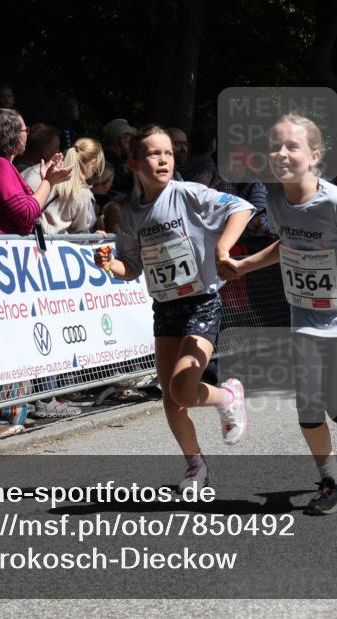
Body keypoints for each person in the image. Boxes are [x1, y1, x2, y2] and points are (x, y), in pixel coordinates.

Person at [225, 114, 337, 516]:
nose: (282, 154)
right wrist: (243, 264)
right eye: (275, 147)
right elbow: (287, 245)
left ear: (314, 156)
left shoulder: (336, 201)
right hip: (304, 314)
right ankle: (332, 482)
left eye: (292, 146)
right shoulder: (273, 199)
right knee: (307, 409)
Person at [94, 124, 255, 491]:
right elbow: (131, 267)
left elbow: (242, 209)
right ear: (134, 163)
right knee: (171, 398)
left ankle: (227, 395)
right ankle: (195, 465)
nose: (164, 159)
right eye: (154, 153)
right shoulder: (130, 213)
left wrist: (221, 250)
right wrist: (108, 264)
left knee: (184, 387)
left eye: (168, 152)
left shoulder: (188, 194)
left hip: (201, 302)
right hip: (165, 307)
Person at [0, 109, 71, 235]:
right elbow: (26, 214)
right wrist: (48, 182)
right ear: (13, 134)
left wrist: (46, 180)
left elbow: (27, 210)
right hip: (1, 249)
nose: (27, 135)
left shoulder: (1, 164)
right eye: (25, 131)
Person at [22, 136, 98, 234]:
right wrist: (95, 239)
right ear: (93, 163)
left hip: (22, 241)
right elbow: (81, 236)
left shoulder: (31, 172)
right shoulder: (83, 194)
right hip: (56, 247)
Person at [101, 118, 137, 195]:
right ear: (121, 140)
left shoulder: (103, 158)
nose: (131, 140)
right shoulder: (113, 164)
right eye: (129, 137)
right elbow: (129, 185)